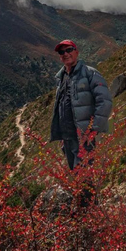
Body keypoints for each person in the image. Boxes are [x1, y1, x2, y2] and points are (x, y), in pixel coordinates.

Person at [50, 39, 113, 170]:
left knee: (84, 177)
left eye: (69, 50)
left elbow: (105, 101)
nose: (65, 54)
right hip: (67, 138)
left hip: (83, 138)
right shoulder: (61, 78)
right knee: (76, 178)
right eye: (62, 52)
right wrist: (61, 135)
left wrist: (92, 130)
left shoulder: (90, 73)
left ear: (76, 52)